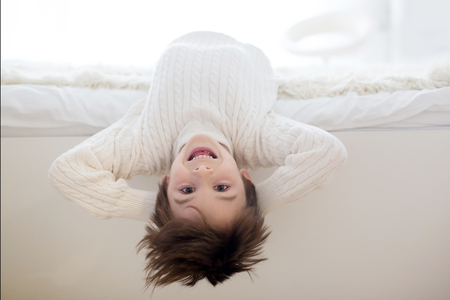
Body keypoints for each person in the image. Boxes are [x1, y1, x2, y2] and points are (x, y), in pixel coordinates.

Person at [49, 31, 348, 288]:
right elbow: (327, 151)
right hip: (245, 46)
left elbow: (66, 172)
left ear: (165, 186)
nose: (202, 172)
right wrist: (258, 204)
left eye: (186, 192)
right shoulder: (255, 138)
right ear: (246, 179)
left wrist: (153, 209)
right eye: (222, 189)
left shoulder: (145, 144)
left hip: (175, 37)